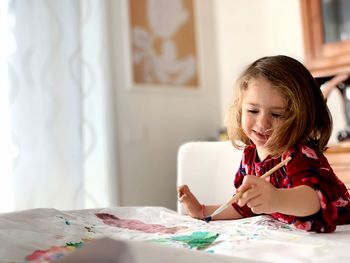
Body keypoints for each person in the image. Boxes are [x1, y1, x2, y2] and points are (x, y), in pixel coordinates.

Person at [178, 55, 350, 233]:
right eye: (253, 110)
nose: (262, 123)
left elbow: (314, 200)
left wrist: (277, 199)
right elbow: (244, 206)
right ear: (240, 108)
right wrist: (203, 211)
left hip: (341, 237)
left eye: (276, 114)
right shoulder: (250, 156)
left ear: (301, 117)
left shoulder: (300, 154)